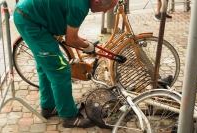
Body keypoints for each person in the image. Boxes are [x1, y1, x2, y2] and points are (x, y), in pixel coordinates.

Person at [13, 0, 118, 128]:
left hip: (30, 16)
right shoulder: (79, 6)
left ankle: (48, 107)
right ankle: (69, 117)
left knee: (46, 67)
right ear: (97, 1)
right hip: (31, 21)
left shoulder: (81, 4)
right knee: (60, 71)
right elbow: (71, 39)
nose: (105, 11)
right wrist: (88, 46)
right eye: (107, 8)